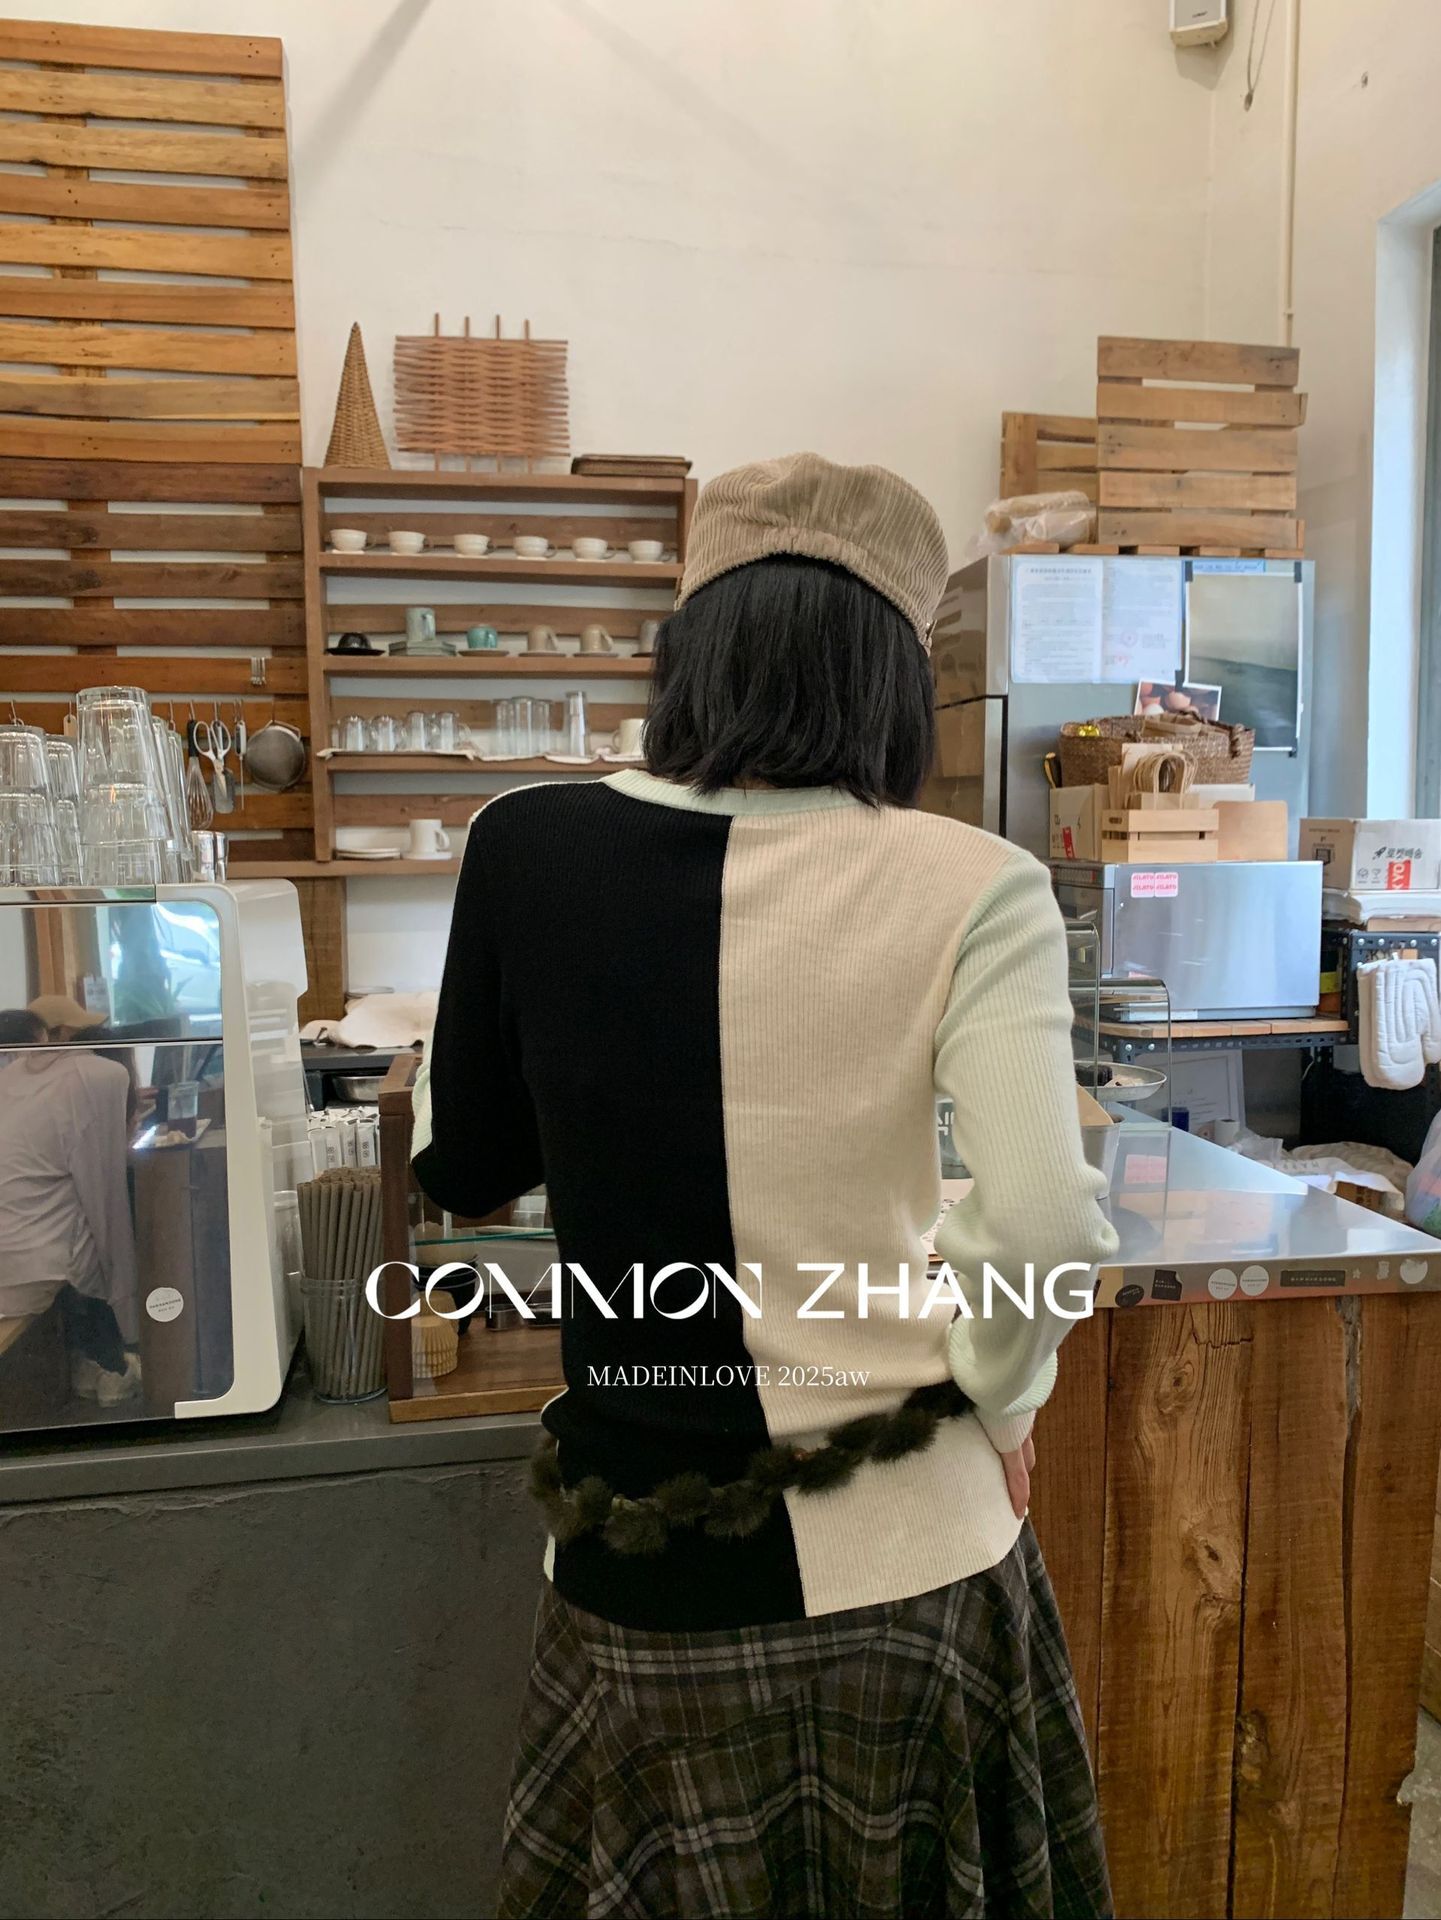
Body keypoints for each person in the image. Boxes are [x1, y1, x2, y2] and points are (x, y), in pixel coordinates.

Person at [415, 452, 1119, 1919]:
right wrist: (1004, 1406)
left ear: (688, 647)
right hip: (917, 1553)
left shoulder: (522, 846)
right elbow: (1049, 1222)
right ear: (895, 677)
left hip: (642, 1565)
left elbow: (467, 1170)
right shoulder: (975, 880)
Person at [0, 1008, 142, 1407]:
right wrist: (131, 1314)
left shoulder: (12, 1078)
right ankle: (113, 1365)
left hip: (11, 1255)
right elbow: (105, 1198)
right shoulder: (98, 1078)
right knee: (100, 1231)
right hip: (27, 1266)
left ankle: (92, 1362)